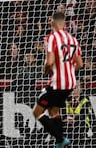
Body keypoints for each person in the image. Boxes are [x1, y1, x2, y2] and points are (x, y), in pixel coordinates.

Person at [32, 12, 83, 148]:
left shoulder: (52, 38)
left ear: (52, 23)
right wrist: (69, 71)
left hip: (57, 83)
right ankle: (60, 142)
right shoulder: (73, 39)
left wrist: (46, 70)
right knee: (54, 111)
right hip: (71, 83)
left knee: (37, 112)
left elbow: (49, 62)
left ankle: (60, 139)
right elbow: (80, 64)